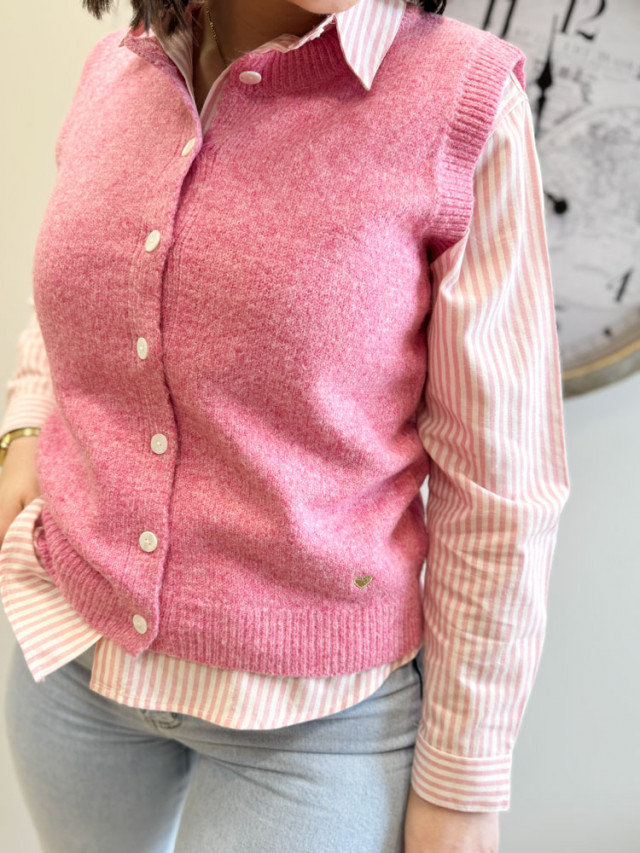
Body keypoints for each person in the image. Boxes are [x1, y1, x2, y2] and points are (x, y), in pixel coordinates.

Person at [0, 0, 571, 851]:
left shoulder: (466, 105)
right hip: (69, 653)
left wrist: (461, 785)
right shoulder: (118, 67)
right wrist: (22, 428)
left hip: (315, 720)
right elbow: (87, 285)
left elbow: (500, 481)